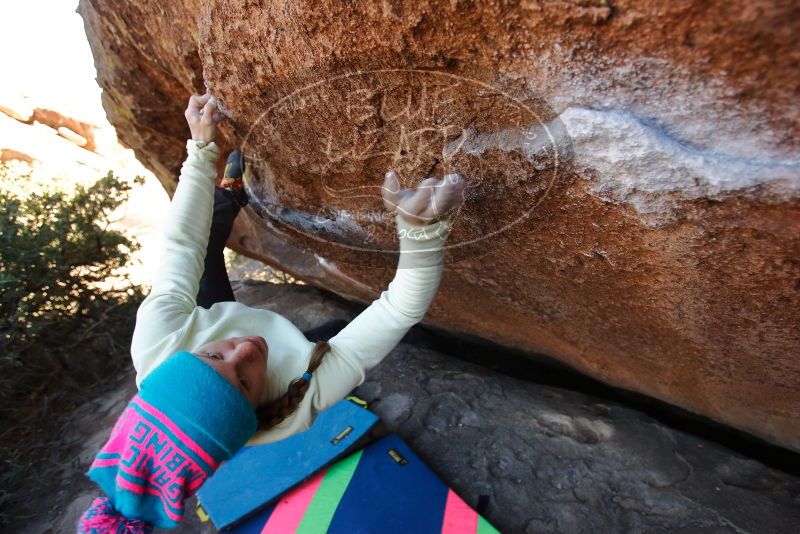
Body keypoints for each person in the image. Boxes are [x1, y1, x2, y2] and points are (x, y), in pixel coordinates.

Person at [77, 91, 466, 532]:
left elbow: (180, 241)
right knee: (336, 333)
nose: (245, 348)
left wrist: (201, 146)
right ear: (253, 413)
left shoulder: (159, 339)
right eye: (244, 383)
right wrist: (420, 234)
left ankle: (230, 193)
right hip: (280, 358)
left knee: (201, 252)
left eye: (213, 357)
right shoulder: (286, 416)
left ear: (184, 357)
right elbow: (398, 311)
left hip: (204, 319)